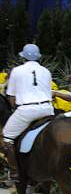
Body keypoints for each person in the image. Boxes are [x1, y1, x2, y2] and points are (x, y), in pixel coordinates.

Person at [1, 44, 53, 180]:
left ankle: (14, 172)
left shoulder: (17, 71)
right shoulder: (46, 71)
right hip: (48, 109)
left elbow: (11, 96)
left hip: (27, 110)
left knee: (6, 138)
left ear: (23, 57)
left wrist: (13, 109)